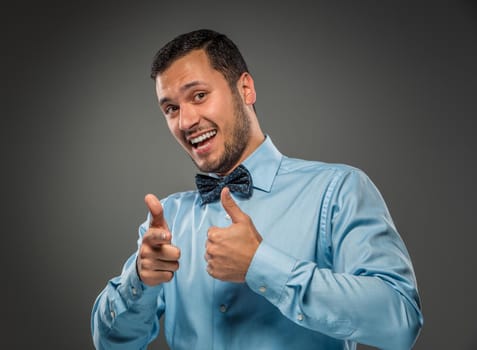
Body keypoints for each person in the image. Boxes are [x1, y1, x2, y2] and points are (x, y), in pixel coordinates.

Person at [91, 29, 423, 349]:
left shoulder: (338, 190)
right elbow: (111, 344)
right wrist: (139, 280)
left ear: (246, 88)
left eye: (199, 96)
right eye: (171, 109)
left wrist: (262, 265)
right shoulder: (168, 220)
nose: (185, 121)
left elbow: (400, 322)